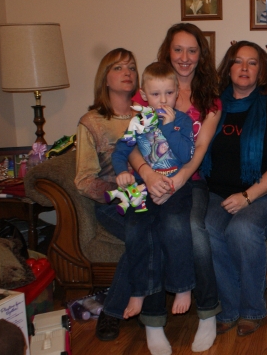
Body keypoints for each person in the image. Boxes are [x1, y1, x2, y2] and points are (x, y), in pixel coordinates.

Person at [130, 22, 223, 352]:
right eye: (178, 49)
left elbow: (200, 148)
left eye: (192, 50)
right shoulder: (147, 92)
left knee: (195, 228)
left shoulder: (210, 100)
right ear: (167, 51)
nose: (185, 57)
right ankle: (153, 322)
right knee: (151, 227)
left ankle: (208, 312)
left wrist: (181, 177)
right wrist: (148, 175)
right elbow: (131, 142)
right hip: (150, 180)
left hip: (190, 182)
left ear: (201, 55)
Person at [75, 48, 174, 355]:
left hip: (152, 198)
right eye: (118, 67)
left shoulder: (146, 116)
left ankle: (132, 305)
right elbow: (83, 180)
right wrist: (122, 192)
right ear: (105, 77)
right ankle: (115, 312)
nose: (127, 72)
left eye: (131, 67)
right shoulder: (91, 122)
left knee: (155, 230)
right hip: (112, 204)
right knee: (145, 233)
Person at [202, 41, 267, 336]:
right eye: (237, 61)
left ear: (261, 70)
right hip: (216, 192)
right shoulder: (213, 107)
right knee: (208, 229)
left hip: (263, 194)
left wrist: (247, 196)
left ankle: (253, 310)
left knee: (241, 229)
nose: (244, 68)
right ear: (228, 68)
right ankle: (229, 308)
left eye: (252, 62)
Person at [110, 62, 195, 319]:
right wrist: (122, 172)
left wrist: (169, 128)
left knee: (175, 227)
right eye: (156, 94)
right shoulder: (137, 123)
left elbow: (185, 155)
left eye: (169, 93)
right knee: (136, 230)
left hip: (176, 186)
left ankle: (182, 287)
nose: (163, 100)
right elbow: (120, 151)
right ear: (144, 95)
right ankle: (139, 290)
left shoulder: (182, 121)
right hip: (143, 187)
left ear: (177, 93)